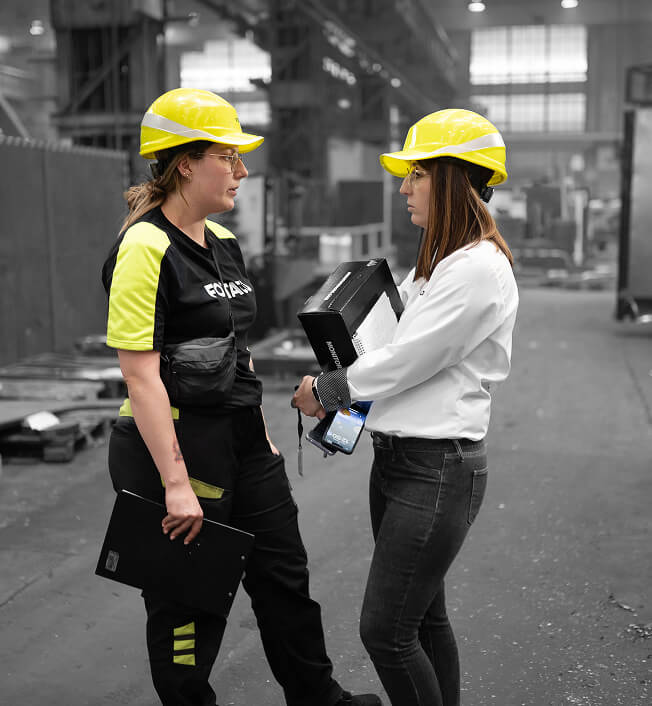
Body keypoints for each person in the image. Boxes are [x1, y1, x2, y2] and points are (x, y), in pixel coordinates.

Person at [101, 88, 381, 706]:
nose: (242, 171)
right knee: (187, 600)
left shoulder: (223, 243)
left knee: (284, 575)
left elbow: (239, 349)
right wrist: (176, 484)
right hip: (175, 446)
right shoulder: (145, 249)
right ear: (185, 163)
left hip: (243, 442)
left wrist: (262, 432)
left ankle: (318, 697)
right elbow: (141, 377)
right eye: (229, 157)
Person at [292, 108, 519, 706]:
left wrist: (331, 390)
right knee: (421, 621)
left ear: (449, 177)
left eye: (415, 174)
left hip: (437, 469)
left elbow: (409, 359)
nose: (403, 187)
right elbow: (389, 345)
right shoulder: (440, 265)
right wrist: (337, 359)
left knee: (386, 632)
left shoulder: (476, 270)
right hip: (401, 464)